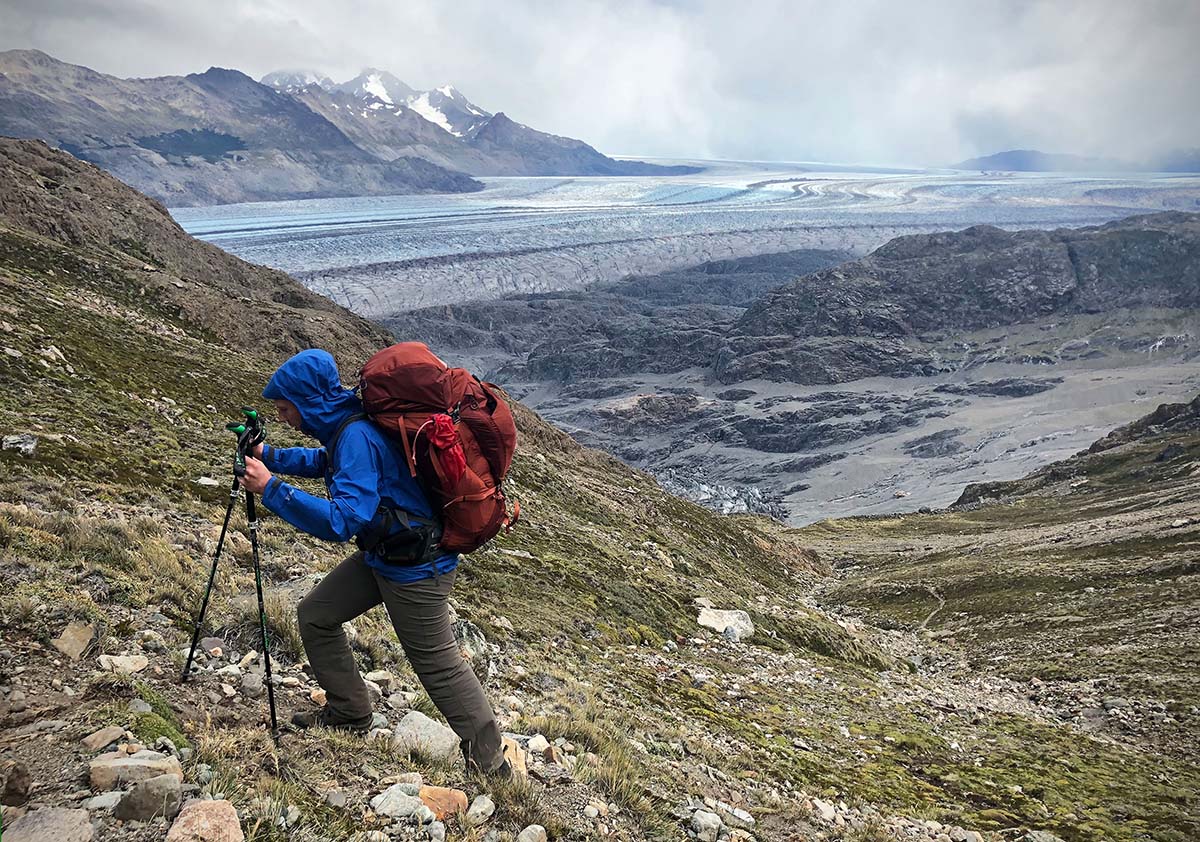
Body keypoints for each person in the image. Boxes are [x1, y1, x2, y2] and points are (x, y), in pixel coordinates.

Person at [237, 348, 508, 776]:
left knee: (437, 664)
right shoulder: (346, 426)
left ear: (308, 402)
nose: (284, 417)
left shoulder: (356, 436)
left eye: (286, 408)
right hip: (386, 555)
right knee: (316, 615)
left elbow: (344, 520)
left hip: (417, 569)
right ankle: (350, 712)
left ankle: (492, 766)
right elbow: (326, 462)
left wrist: (272, 489)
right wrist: (270, 454)